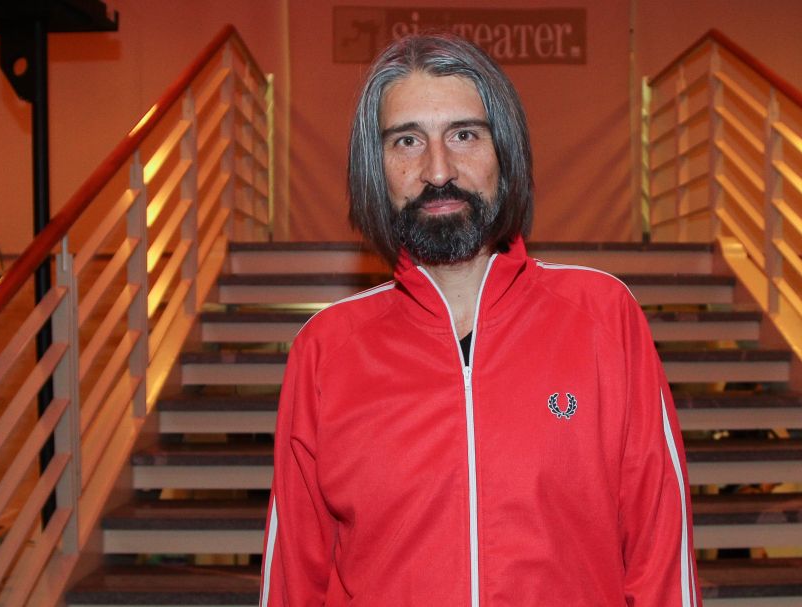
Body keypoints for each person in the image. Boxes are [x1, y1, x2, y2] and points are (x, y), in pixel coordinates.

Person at [260, 33, 698, 606]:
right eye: (407, 140)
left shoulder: (603, 317)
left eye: (464, 135)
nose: (438, 170)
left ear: (504, 155)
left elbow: (661, 554)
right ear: (377, 169)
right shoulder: (325, 350)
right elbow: (293, 577)